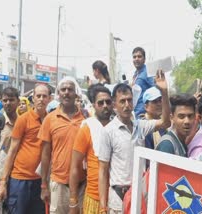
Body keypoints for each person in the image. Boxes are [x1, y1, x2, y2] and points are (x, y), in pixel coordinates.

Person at [98, 70, 171, 213]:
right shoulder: (108, 131)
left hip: (138, 194)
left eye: (129, 100)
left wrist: (164, 92)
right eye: (122, 101)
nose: (127, 105)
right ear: (114, 105)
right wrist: (102, 206)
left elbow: (166, 122)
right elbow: (102, 170)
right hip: (118, 198)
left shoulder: (140, 126)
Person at [0, 84, 51, 214]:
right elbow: (12, 151)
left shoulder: (51, 120)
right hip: (20, 180)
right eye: (38, 96)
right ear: (33, 98)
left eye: (44, 96)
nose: (41, 99)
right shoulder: (23, 120)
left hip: (41, 182)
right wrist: (3, 182)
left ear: (49, 99)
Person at [39, 77, 85, 214]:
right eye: (63, 90)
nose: (66, 93)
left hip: (81, 185)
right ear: (58, 94)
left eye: (70, 90)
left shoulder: (85, 118)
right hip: (58, 185)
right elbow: (45, 154)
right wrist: (43, 185)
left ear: (76, 94)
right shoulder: (50, 119)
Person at [69, 84, 113, 214]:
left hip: (116, 198)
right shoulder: (87, 128)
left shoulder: (117, 127)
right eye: (100, 103)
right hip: (94, 198)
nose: (105, 105)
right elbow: (74, 167)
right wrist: (73, 201)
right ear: (94, 105)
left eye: (108, 102)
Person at [131, 47, 155, 118]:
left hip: (144, 115)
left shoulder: (148, 72)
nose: (136, 59)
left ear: (144, 59)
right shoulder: (135, 74)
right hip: (135, 113)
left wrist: (149, 113)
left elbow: (156, 91)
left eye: (139, 56)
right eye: (134, 57)